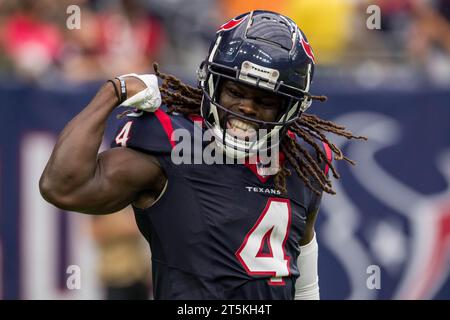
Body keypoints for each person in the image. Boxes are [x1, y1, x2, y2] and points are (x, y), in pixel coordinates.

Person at [39, 10, 366, 299]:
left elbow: (304, 281)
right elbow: (62, 186)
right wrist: (115, 91)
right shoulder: (173, 141)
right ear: (212, 84)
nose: (247, 107)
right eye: (236, 91)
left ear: (290, 107)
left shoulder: (302, 157)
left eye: (265, 101)